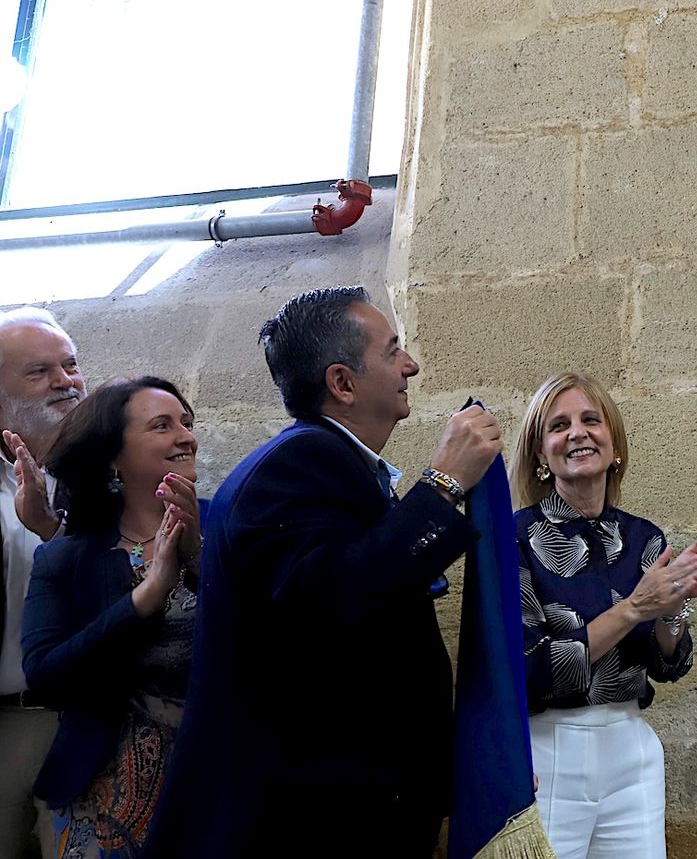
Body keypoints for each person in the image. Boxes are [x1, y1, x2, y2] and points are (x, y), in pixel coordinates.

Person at [152, 287, 501, 859]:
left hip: (352, 800)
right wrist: (442, 484)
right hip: (314, 817)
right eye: (393, 353)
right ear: (342, 383)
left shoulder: (329, 463)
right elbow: (339, 599)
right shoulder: (298, 464)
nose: (410, 365)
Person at [513, 372, 697, 859]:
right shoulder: (516, 537)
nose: (577, 432)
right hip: (551, 749)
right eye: (559, 425)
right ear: (540, 454)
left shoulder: (644, 538)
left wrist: (674, 608)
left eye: (590, 420)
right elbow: (532, 671)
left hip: (630, 750)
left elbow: (667, 665)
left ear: (612, 443)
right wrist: (636, 607)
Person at [22, 378, 202, 859]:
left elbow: (272, 638)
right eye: (162, 425)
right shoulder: (68, 557)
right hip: (106, 799)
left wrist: (200, 562)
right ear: (113, 458)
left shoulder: (230, 525)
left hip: (225, 776)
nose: (185, 436)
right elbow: (46, 678)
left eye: (187, 422)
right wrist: (144, 599)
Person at [0, 308, 86, 859]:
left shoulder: (97, 472)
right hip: (9, 726)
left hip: (86, 720)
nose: (66, 381)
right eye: (40, 372)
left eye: (70, 364)